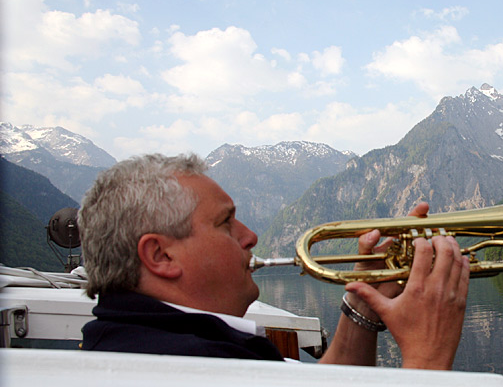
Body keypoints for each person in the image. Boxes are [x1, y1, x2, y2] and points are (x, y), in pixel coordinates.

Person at [77, 153, 469, 370]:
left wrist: (362, 303)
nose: (250, 236)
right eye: (225, 222)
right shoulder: (188, 371)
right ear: (160, 255)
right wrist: (427, 354)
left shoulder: (156, 343)